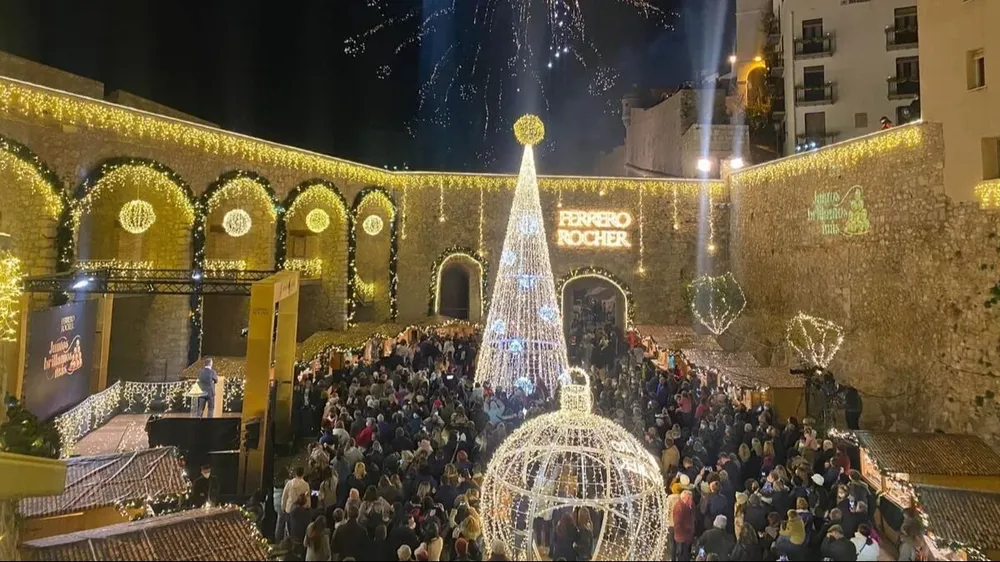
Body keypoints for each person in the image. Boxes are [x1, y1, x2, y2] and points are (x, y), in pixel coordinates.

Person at [278, 467, 310, 542]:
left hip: (289, 509)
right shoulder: (306, 485)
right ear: (303, 474)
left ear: (295, 474)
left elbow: (284, 496)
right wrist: (308, 507)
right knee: (298, 528)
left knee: (288, 529)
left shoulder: (289, 483)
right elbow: (308, 498)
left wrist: (283, 506)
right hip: (301, 510)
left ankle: (288, 543)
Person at [673, 490, 696, 561]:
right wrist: (687, 530)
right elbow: (677, 524)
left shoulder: (690, 504)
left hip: (688, 536)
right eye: (689, 498)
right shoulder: (679, 507)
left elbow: (693, 515)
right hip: (682, 538)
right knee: (682, 555)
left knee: (687, 554)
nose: (691, 500)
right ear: (684, 498)